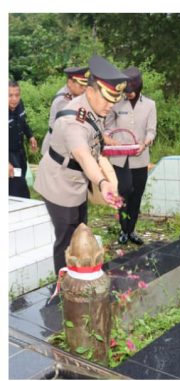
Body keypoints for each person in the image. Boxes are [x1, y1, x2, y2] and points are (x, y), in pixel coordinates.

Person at [34, 55, 126, 274]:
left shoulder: (95, 108)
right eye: (107, 99)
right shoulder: (72, 121)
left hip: (79, 178)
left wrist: (107, 179)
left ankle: (80, 275)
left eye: (114, 99)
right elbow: (84, 156)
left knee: (80, 228)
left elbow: (95, 149)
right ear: (91, 91)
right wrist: (103, 182)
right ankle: (63, 286)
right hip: (59, 181)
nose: (110, 105)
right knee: (66, 237)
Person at [105, 66, 156, 246]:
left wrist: (146, 142)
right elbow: (108, 127)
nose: (130, 94)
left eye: (133, 91)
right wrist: (111, 139)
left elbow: (151, 130)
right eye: (127, 91)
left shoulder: (150, 105)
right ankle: (123, 228)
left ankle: (131, 230)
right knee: (124, 192)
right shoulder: (116, 103)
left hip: (140, 158)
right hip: (120, 158)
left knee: (137, 195)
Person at [41, 64, 89, 157]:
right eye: (81, 85)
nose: (84, 89)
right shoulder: (63, 101)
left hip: (65, 146)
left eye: (85, 85)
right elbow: (69, 127)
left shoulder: (76, 96)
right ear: (70, 83)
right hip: (55, 149)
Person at [9, 81, 37, 198]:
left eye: (17, 95)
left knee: (19, 178)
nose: (14, 99)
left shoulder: (20, 105)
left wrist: (30, 136)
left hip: (20, 153)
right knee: (18, 184)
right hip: (9, 155)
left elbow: (23, 123)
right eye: (10, 95)